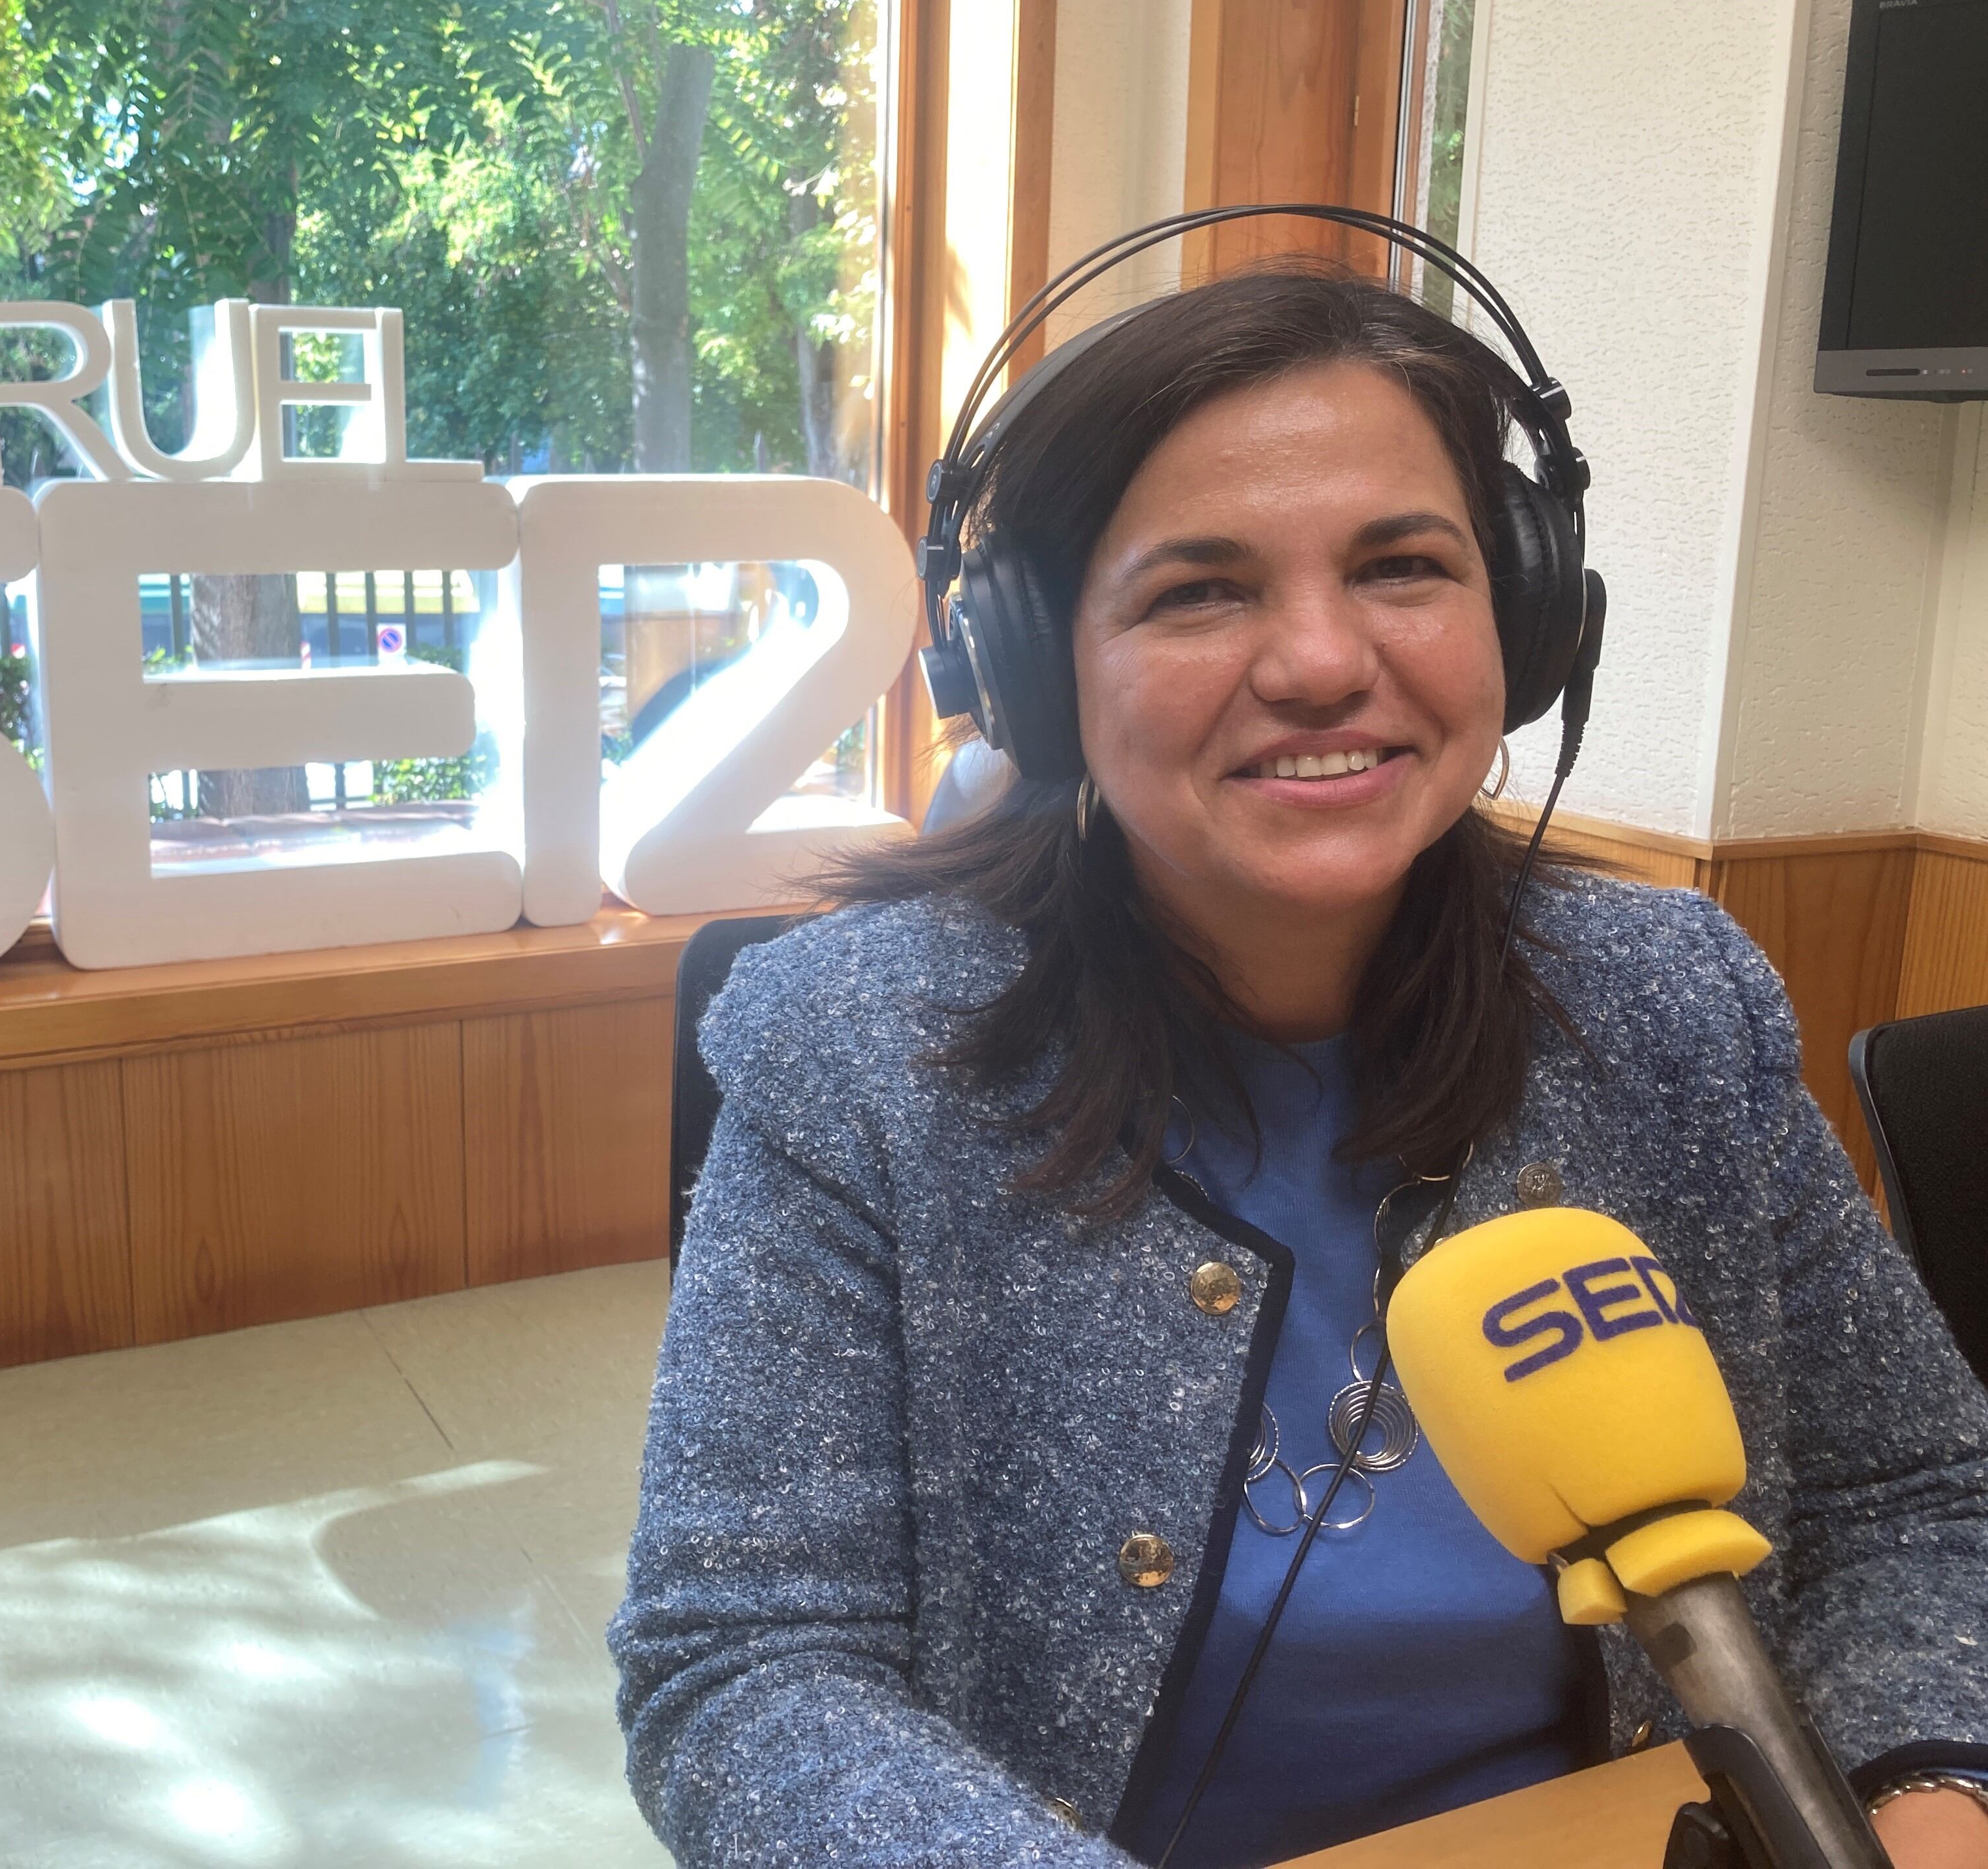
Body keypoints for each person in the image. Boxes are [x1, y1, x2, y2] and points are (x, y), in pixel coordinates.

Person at [607, 264, 1988, 1869]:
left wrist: (1933, 1802)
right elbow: (745, 1674)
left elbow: (1922, 1498)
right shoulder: (852, 1049)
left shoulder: (1674, 1006)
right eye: (1200, 590)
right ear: (1041, 673)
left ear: (1527, 617)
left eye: (1404, 566)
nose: (1324, 663)